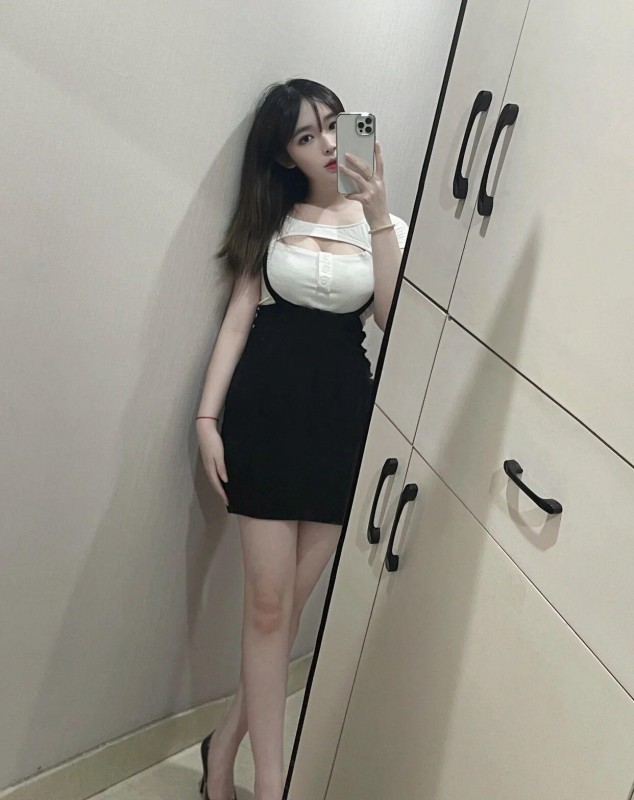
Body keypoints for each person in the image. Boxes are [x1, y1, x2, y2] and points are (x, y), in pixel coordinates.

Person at [195, 78, 407, 800]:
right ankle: (270, 784)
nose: (326, 145)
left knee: (286, 615)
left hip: (340, 422)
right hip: (262, 415)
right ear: (286, 154)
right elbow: (238, 318)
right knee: (266, 608)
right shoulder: (272, 220)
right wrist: (206, 419)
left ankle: (223, 748)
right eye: (306, 136)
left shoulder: (384, 224)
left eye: (332, 126)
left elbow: (391, 321)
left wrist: (377, 218)